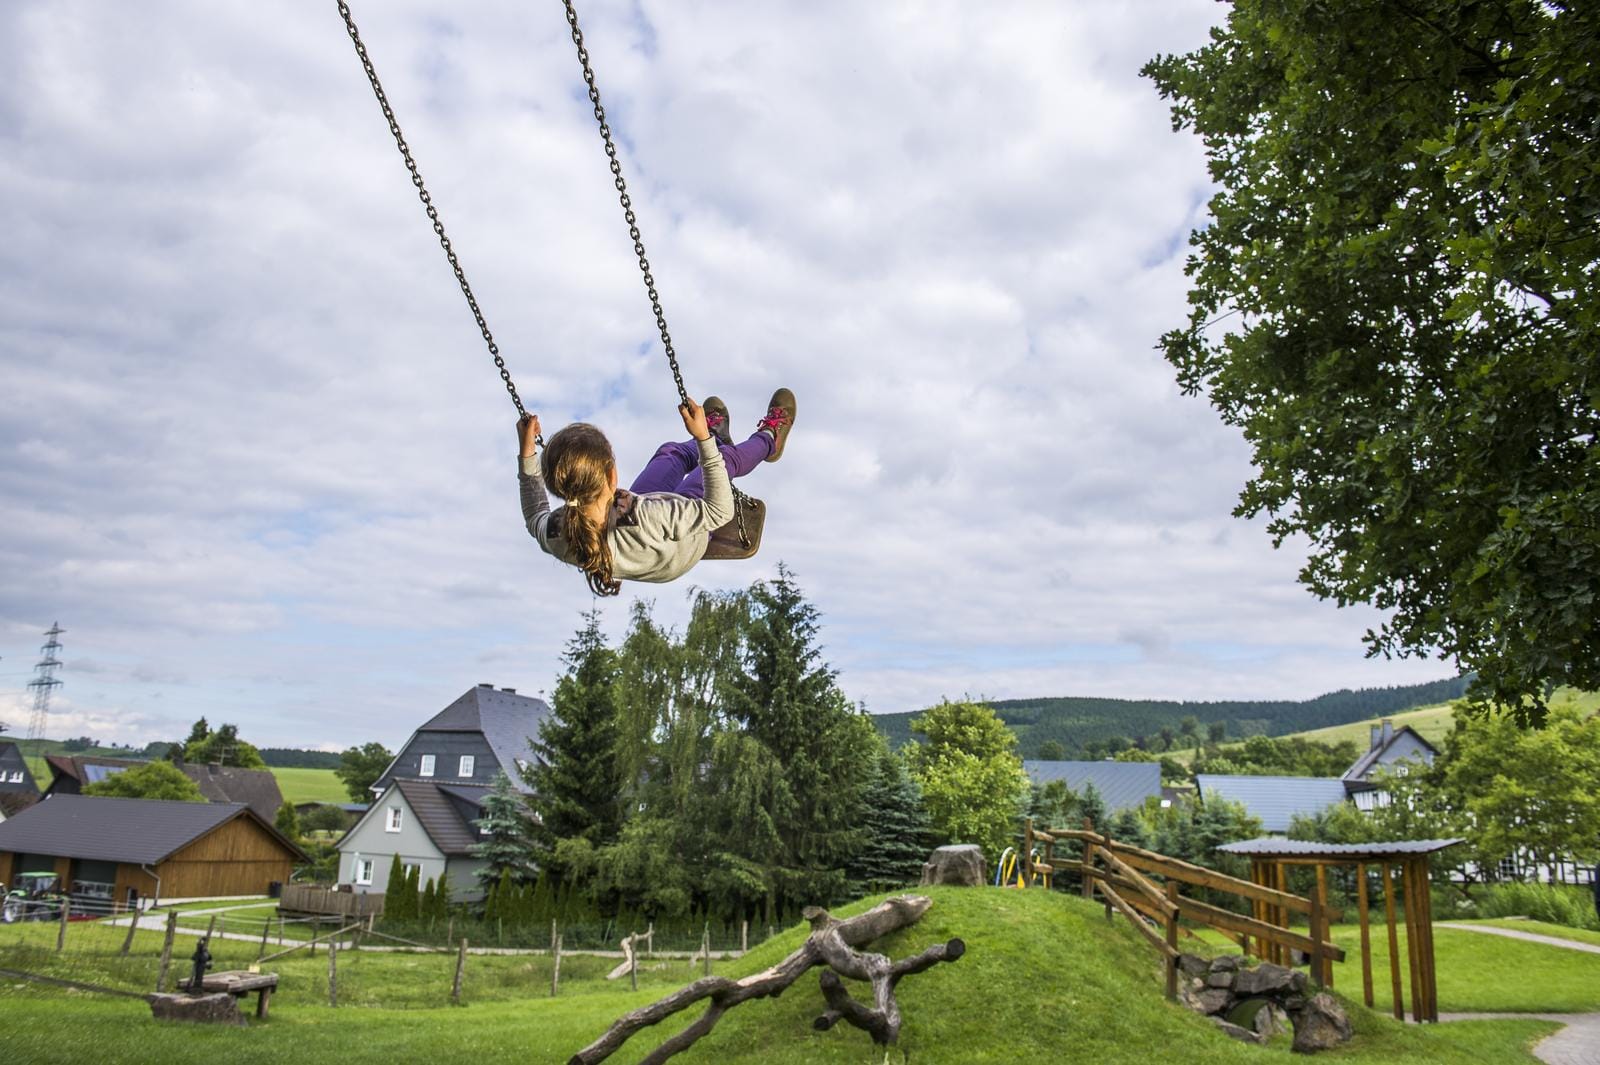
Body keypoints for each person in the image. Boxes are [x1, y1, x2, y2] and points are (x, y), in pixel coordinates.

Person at [518, 389, 795, 595]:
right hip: (683, 545)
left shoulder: (559, 531)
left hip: (646, 535)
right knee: (722, 462)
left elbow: (534, 517)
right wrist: (702, 440)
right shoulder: (651, 515)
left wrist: (527, 452)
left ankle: (717, 438)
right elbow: (718, 510)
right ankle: (769, 439)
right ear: (613, 476)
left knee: (670, 453)